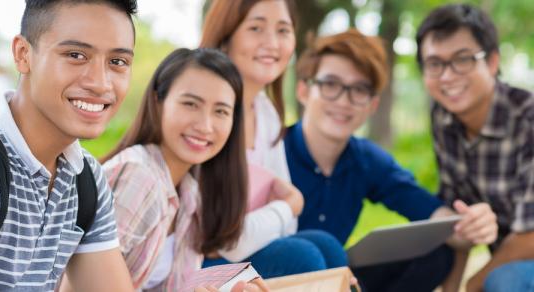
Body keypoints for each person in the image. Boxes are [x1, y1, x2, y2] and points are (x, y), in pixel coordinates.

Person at [0, 0, 137, 291]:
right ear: (23, 54)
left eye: (117, 62)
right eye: (76, 54)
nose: (100, 83)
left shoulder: (86, 178)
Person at [285, 29, 498, 292]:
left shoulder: (366, 160)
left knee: (437, 252)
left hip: (335, 278)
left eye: (359, 90)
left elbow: (428, 211)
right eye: (330, 85)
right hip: (269, 279)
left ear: (372, 105)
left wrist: (471, 225)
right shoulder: (271, 150)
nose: (344, 101)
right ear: (304, 90)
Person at [199, 0, 347, 278]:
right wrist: (286, 205)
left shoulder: (266, 113)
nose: (272, 43)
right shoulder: (207, 114)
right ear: (226, 35)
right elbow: (221, 241)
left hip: (237, 249)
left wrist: (284, 208)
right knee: (301, 257)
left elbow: (287, 226)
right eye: (256, 28)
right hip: (190, 266)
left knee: (326, 245)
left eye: (283, 30)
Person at [99, 47, 262, 292]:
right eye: (190, 104)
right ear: (158, 101)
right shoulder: (138, 175)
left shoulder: (190, 195)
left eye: (220, 111)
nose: (205, 125)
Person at [416, 4, 534, 292]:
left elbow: (531, 234)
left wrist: (472, 285)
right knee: (426, 251)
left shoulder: (528, 118)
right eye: (435, 63)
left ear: (492, 62)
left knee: (503, 281)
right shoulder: (444, 119)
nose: (447, 76)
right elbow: (459, 220)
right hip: (510, 260)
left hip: (521, 261)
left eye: (462, 59)